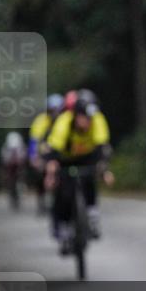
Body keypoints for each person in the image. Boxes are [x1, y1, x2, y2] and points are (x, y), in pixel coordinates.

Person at [44, 95, 113, 251]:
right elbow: (53, 151)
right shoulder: (64, 123)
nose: (87, 122)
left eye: (89, 119)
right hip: (65, 158)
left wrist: (105, 170)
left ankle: (92, 213)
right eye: (84, 118)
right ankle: (63, 226)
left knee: (90, 178)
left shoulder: (97, 120)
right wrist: (51, 174)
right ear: (76, 116)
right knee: (63, 191)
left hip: (87, 157)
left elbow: (102, 148)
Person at [28, 93, 65, 213]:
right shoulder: (41, 121)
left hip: (62, 153)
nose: (56, 113)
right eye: (52, 110)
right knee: (40, 173)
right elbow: (34, 141)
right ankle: (41, 198)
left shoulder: (66, 120)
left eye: (58, 110)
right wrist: (34, 157)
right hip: (45, 154)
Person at [1, 132, 26, 208]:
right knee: (10, 181)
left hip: (18, 167)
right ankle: (11, 195)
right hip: (10, 168)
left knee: (20, 179)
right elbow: (4, 160)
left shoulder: (21, 148)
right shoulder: (5, 148)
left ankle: (20, 193)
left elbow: (23, 157)